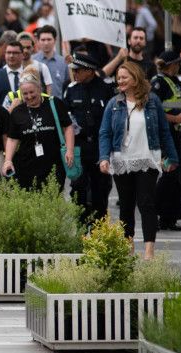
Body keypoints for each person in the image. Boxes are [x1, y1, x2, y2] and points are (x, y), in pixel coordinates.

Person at [99, 62, 181, 259]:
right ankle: (128, 246)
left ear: (135, 78)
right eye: (118, 78)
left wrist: (172, 157)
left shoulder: (152, 101)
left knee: (146, 203)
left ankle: (149, 250)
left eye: (124, 77)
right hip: (122, 160)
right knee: (126, 205)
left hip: (146, 158)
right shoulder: (114, 103)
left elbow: (164, 132)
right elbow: (105, 133)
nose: (120, 81)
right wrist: (103, 157)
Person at [64, 53, 117, 224]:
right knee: (78, 188)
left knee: (100, 189)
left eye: (78, 70)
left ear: (90, 71)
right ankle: (80, 226)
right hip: (79, 147)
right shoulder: (71, 89)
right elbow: (66, 118)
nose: (75, 73)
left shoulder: (106, 89)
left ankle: (98, 229)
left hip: (99, 147)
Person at [2, 74, 75, 191]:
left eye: (32, 92)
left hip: (53, 163)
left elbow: (68, 127)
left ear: (39, 89)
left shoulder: (54, 103)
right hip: (26, 164)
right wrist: (8, 160)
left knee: (53, 197)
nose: (29, 96)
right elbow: (12, 138)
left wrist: (70, 150)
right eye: (25, 94)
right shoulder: (17, 112)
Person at [151, 51, 181, 231]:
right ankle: (153, 211)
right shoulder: (158, 83)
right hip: (165, 134)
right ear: (170, 64)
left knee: (178, 176)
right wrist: (176, 119)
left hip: (179, 134)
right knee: (169, 173)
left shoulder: (178, 82)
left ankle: (169, 218)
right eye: (177, 63)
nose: (179, 66)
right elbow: (154, 110)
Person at [0, 41, 26, 109]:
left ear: (22, 55)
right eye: (8, 52)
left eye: (15, 53)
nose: (11, 56)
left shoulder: (31, 75)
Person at [32, 26, 68, 99]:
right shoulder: (32, 61)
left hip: (58, 105)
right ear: (38, 41)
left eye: (49, 39)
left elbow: (67, 86)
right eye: (43, 40)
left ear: (55, 40)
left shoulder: (63, 62)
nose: (46, 43)